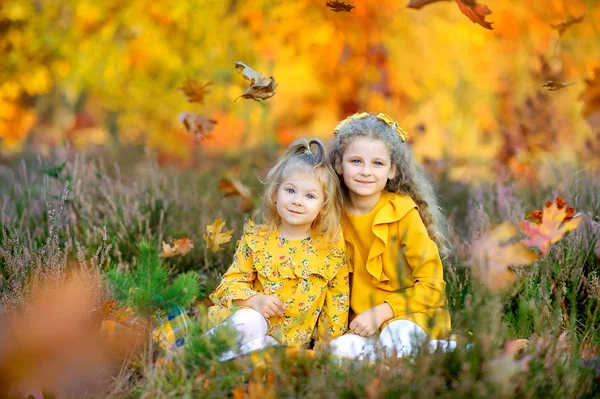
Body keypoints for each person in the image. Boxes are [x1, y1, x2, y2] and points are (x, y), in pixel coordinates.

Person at [327, 112, 455, 360]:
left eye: (377, 163)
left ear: (392, 170)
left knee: (397, 338)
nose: (366, 171)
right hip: (362, 324)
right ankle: (434, 355)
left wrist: (382, 312)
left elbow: (432, 286)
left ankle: (436, 355)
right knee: (337, 353)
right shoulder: (332, 213)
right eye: (356, 161)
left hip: (412, 315)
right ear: (338, 165)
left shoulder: (402, 212)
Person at [207, 138, 349, 361]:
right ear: (275, 194)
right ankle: (199, 355)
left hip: (284, 342)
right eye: (290, 190)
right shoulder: (258, 239)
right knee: (253, 322)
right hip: (248, 322)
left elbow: (337, 302)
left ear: (323, 207)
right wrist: (254, 301)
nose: (297, 201)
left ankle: (216, 364)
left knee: (267, 351)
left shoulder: (329, 248)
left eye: (310, 196)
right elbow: (229, 285)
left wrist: (325, 347)